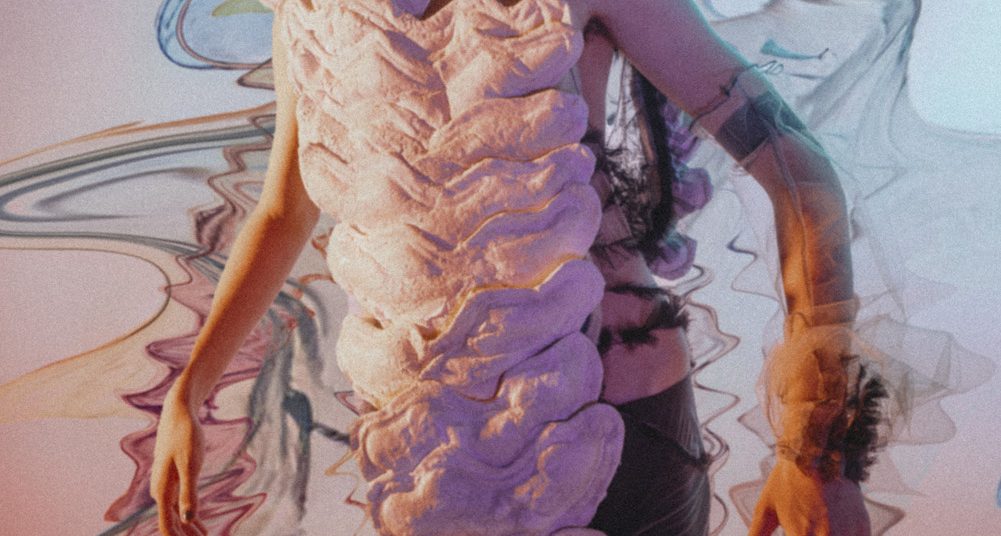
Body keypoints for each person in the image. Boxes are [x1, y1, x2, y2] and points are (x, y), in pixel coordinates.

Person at [151, 1, 875, 534]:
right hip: (427, 451)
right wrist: (190, 390)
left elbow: (795, 165)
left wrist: (819, 451)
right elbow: (285, 210)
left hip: (614, 426)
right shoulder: (308, 14)